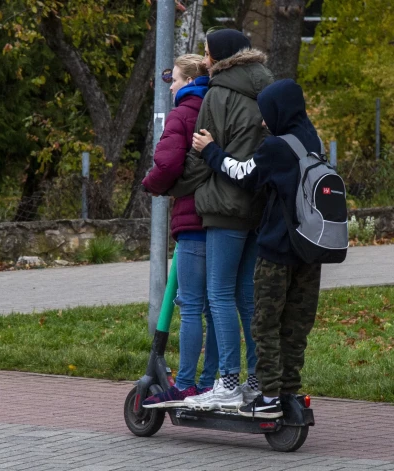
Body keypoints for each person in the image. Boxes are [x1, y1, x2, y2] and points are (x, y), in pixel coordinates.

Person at [191, 78, 323, 418]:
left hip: (278, 249)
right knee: (296, 325)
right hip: (310, 249)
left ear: (280, 111)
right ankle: (290, 391)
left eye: (266, 114)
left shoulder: (276, 147)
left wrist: (210, 151)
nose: (263, 122)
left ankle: (268, 396)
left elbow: (244, 174)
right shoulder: (312, 140)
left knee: (265, 323)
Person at [168, 29, 275, 411]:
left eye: (209, 55)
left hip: (223, 207)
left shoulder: (218, 93)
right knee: (247, 297)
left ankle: (227, 382)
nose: (206, 61)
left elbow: (200, 156)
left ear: (223, 57)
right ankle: (256, 381)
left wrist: (173, 186)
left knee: (219, 295)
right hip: (257, 207)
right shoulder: (266, 90)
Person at [140, 54, 219, 408]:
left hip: (193, 218)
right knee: (217, 307)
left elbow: (169, 162)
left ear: (188, 81)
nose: (170, 86)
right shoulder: (219, 108)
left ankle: (186, 384)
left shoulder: (183, 113)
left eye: (173, 79)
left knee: (190, 306)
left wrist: (152, 184)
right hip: (225, 220)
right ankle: (211, 381)